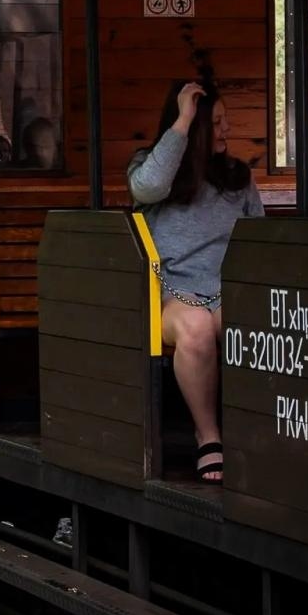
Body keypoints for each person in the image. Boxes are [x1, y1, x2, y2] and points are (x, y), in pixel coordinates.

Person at [128, 81, 262, 484]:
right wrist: (185, 118)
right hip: (171, 292)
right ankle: (209, 437)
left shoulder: (238, 176)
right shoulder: (151, 168)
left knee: (245, 323)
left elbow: (259, 238)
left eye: (226, 121)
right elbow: (148, 186)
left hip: (226, 288)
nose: (226, 129)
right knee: (196, 327)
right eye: (216, 122)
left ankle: (256, 436)